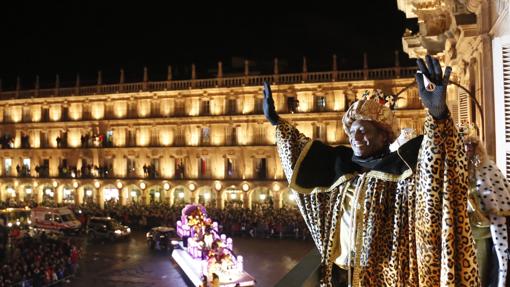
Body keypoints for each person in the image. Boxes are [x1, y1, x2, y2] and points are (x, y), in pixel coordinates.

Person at [263, 55, 479, 286]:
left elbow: (435, 164)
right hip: (339, 274)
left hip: (389, 275)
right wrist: (276, 122)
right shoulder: (339, 165)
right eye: (352, 131)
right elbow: (300, 150)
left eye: (364, 130)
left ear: (384, 135)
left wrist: (438, 115)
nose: (355, 138)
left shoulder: (403, 169)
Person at [464, 132, 510, 287]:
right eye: (464, 145)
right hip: (462, 231)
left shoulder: (487, 168)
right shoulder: (455, 169)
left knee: (480, 275)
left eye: (471, 145)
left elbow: (500, 197)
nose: (467, 149)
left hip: (482, 233)